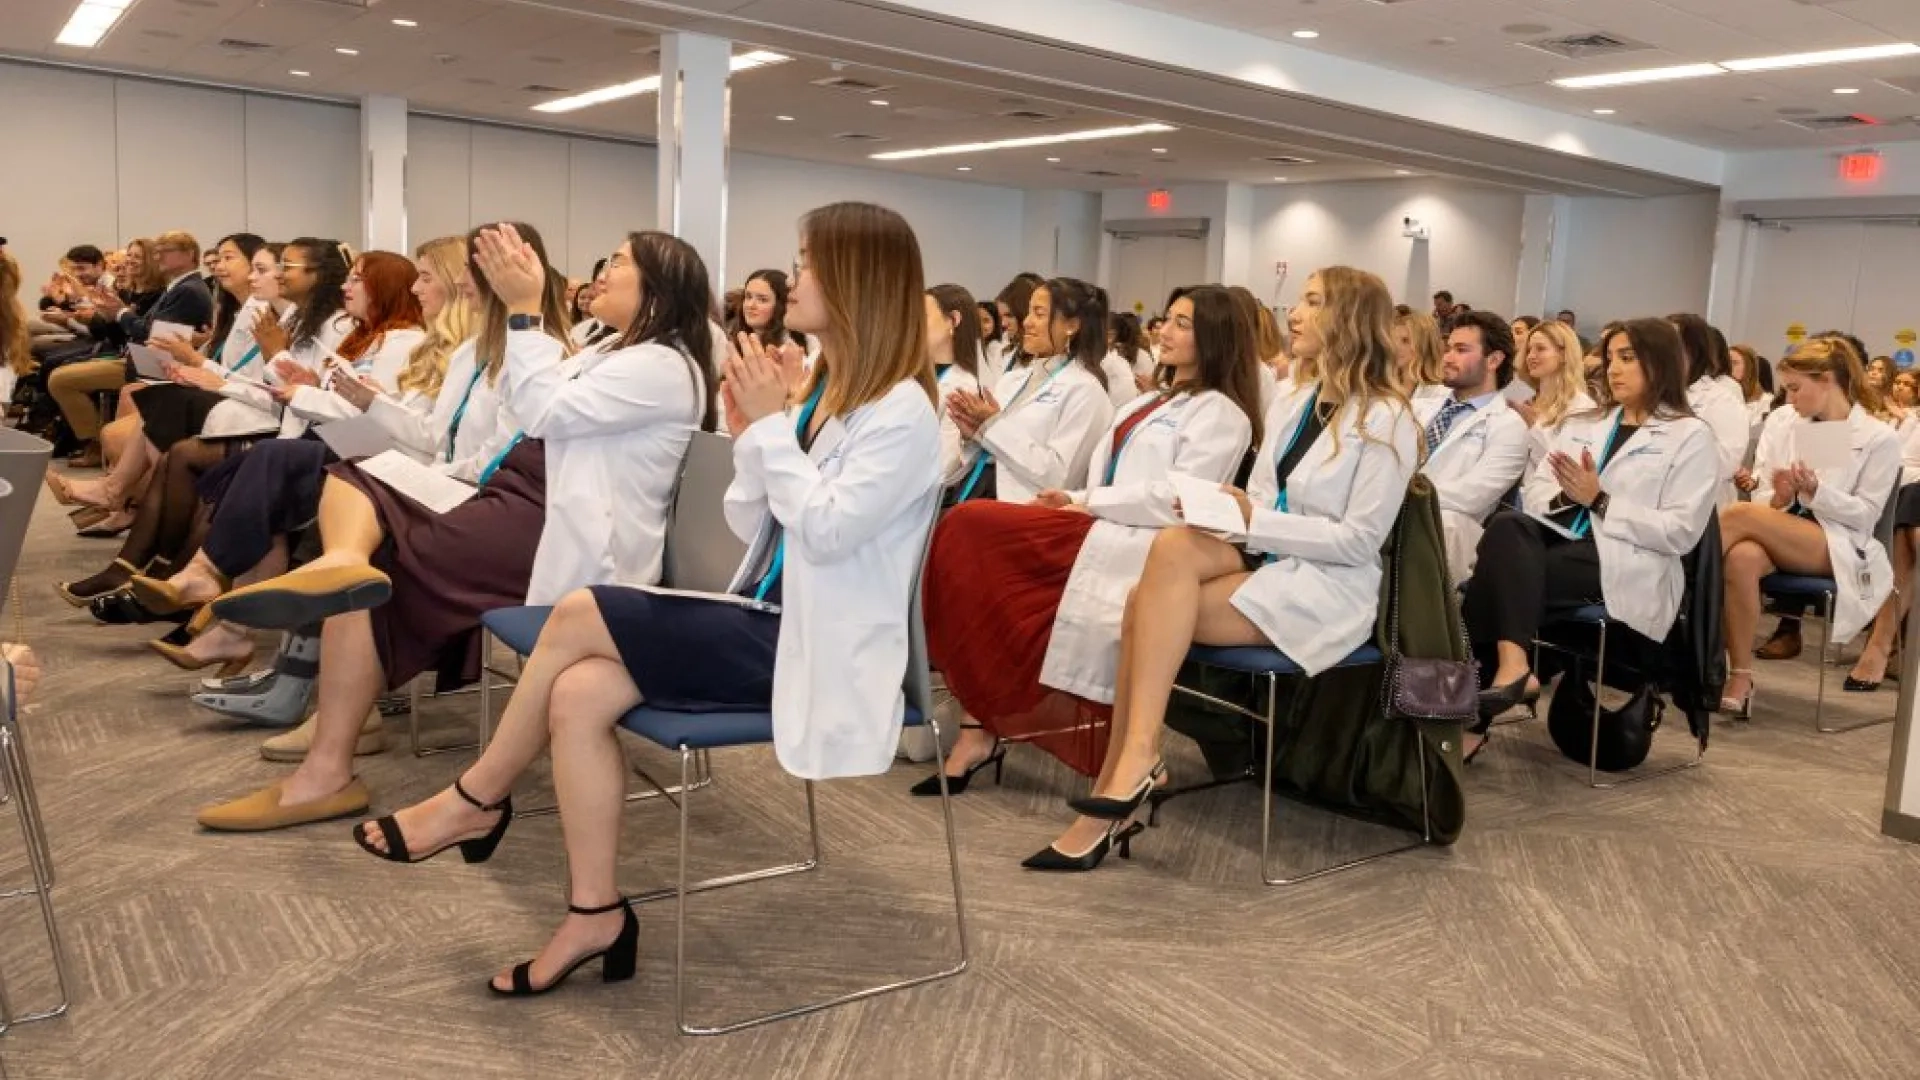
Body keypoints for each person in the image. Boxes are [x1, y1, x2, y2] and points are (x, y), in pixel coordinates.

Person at [349, 203, 940, 1003]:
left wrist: (768, 434)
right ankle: (594, 912)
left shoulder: (903, 411)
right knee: (580, 691)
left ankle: (474, 800)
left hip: (819, 644)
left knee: (585, 610)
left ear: (857, 280)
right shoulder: (832, 393)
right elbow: (756, 522)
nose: (791, 278)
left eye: (806, 264)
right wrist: (760, 436)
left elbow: (830, 534)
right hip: (770, 617)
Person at [193, 222, 718, 833]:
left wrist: (523, 312)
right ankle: (340, 568)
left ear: (657, 287)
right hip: (523, 493)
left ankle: (326, 769)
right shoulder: (608, 346)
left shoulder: (660, 364)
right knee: (355, 480)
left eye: (620, 263)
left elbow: (540, 410)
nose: (603, 272)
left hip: (552, 519)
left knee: (379, 574)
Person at [1023, 266, 1420, 871]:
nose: (1295, 312)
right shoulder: (1295, 401)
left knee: (1143, 605)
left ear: (1348, 319)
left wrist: (1253, 521)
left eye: (1313, 302)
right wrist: (1228, 513)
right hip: (1274, 557)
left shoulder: (1387, 419)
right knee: (1175, 547)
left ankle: (1127, 770)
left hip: (1329, 585)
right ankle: (1134, 760)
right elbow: (1259, 498)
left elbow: (1359, 542)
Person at [919, 285, 1263, 789]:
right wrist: (1077, 496)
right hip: (1094, 523)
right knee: (966, 544)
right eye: (1166, 319)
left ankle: (991, 720)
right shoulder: (1149, 403)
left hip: (1137, 542)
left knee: (970, 530)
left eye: (1181, 324)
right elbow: (1105, 476)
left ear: (1215, 338)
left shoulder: (1222, 415)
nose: (1162, 331)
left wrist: (1084, 501)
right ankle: (980, 720)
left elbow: (1177, 498)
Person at [130, 238, 473, 677]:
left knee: (259, 463)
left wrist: (304, 379)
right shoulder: (372, 337)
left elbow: (409, 427)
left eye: (359, 278)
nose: (350, 286)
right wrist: (310, 383)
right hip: (349, 442)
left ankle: (203, 584)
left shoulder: (400, 339)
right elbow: (360, 405)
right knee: (259, 485)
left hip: (378, 457)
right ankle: (221, 615)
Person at [1464, 319, 1720, 754]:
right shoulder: (1588, 422)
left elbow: (1679, 533)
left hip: (1631, 559)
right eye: (1610, 358)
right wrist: (1570, 497)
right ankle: (1513, 666)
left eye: (1627, 358)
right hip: (1562, 541)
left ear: (1659, 364)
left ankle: (1476, 717)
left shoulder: (1690, 436)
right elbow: (1537, 489)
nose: (1613, 369)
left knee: (1487, 581)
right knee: (1508, 525)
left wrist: (1600, 501)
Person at [1720, 338, 1900, 714]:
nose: (1791, 398)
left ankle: (1674, 597)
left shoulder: (1878, 437)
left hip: (1839, 544)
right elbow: (1768, 496)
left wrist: (1817, 492)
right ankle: (1739, 674)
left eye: (1797, 388)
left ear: (1829, 380)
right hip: (1786, 530)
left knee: (1736, 517)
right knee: (1741, 558)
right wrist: (1780, 497)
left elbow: (1867, 514)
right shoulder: (1791, 424)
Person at [945, 277, 1116, 505]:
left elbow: (1059, 476)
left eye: (1039, 313)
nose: (1027, 322)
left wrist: (993, 426)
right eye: (1028, 312)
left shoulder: (1086, 391)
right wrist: (974, 434)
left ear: (1071, 326)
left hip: (1021, 508)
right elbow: (994, 449)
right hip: (975, 490)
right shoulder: (1014, 379)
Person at [1417, 310, 1530, 583]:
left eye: (1461, 350)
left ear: (1493, 360)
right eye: (1448, 349)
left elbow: (1473, 496)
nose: (1447, 357)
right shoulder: (1419, 406)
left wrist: (1403, 493)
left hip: (1444, 531)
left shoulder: (1508, 426)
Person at [1671, 313, 1747, 502]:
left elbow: (1727, 463)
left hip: (1704, 504)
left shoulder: (1722, 400)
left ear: (1693, 351)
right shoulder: (1655, 398)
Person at [1517, 320, 1598, 476]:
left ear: (1563, 354)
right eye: (1528, 350)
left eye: (1540, 349)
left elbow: (1566, 470)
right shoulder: (1530, 402)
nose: (1531, 356)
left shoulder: (1581, 407)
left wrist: (1533, 428)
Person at [928, 283, 988, 485]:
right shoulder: (919, 377)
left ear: (953, 320)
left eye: (922, 317)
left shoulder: (962, 387)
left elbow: (947, 465)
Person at [1392, 309, 1447, 407]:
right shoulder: (1383, 388)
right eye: (1393, 340)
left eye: (1405, 341)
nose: (1396, 347)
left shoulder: (1441, 395)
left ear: (1424, 345)